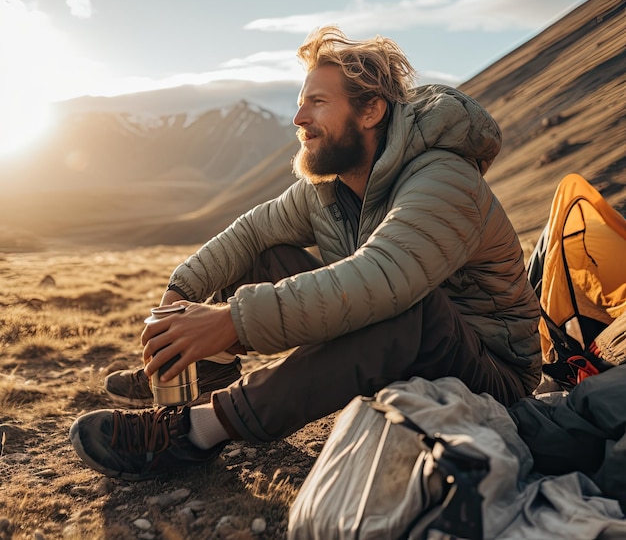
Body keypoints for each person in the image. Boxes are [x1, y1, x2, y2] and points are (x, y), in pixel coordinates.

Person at [69, 26, 541, 481]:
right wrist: (181, 293)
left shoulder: (444, 179)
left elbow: (382, 280)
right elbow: (253, 232)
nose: (299, 119)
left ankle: (193, 433)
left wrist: (228, 321)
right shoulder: (332, 186)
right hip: (402, 346)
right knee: (264, 255)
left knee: (399, 307)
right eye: (300, 104)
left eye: (317, 103)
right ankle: (204, 372)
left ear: (371, 111)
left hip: (491, 375)